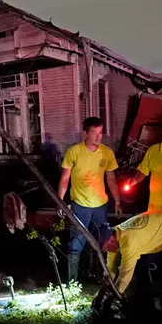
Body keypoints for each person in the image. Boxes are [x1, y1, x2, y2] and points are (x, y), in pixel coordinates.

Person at [57, 117, 121, 282]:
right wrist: (60, 201)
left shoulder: (107, 152)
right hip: (80, 205)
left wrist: (118, 201)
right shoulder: (74, 152)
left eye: (100, 133)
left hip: (101, 205)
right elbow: (65, 178)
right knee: (76, 243)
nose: (99, 137)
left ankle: (102, 278)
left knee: (103, 242)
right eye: (95, 133)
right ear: (85, 133)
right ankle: (72, 283)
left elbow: (111, 179)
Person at [103, 210, 162, 298]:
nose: (104, 251)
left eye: (104, 248)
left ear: (111, 240)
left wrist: (113, 296)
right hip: (159, 227)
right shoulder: (114, 232)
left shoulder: (129, 243)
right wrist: (100, 293)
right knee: (144, 264)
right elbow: (110, 268)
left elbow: (124, 276)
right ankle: (159, 290)